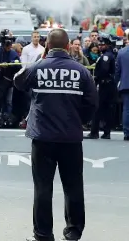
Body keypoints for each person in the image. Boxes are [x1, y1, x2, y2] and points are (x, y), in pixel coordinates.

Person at [13, 29, 98, 241]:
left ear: (47, 46)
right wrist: (80, 120)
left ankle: (43, 234)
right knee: (73, 186)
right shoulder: (81, 70)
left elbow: (18, 82)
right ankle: (73, 232)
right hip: (70, 136)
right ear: (69, 46)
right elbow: (92, 102)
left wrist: (41, 61)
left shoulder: (38, 67)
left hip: (42, 137)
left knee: (42, 187)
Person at [84, 36, 116, 140]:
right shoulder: (108, 55)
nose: (100, 46)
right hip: (108, 85)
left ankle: (94, 132)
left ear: (108, 45)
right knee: (106, 109)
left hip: (105, 84)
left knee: (97, 108)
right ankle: (106, 132)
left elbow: (104, 70)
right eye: (100, 45)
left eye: (103, 45)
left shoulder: (106, 56)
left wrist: (96, 77)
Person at [115, 41, 129, 141]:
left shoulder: (121, 52)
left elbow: (117, 70)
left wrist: (116, 83)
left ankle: (126, 132)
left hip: (125, 84)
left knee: (126, 109)